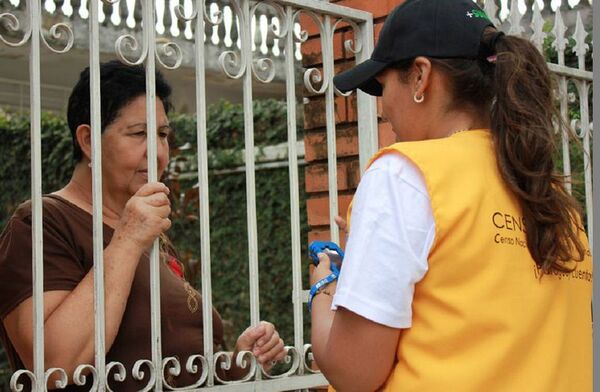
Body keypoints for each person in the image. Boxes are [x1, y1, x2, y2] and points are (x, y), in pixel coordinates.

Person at [309, 0, 592, 391]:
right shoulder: (551, 197)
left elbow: (354, 371)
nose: (383, 105)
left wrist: (324, 288)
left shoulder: (404, 175)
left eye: (384, 84)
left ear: (420, 76)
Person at [0, 60, 286, 391]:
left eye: (163, 134)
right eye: (139, 134)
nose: (159, 152)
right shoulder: (43, 222)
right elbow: (52, 366)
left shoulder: (148, 232)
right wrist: (128, 239)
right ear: (89, 140)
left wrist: (237, 364)